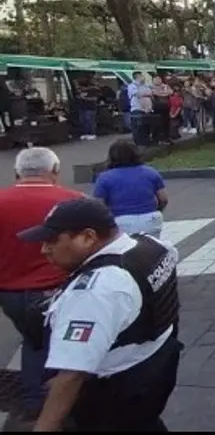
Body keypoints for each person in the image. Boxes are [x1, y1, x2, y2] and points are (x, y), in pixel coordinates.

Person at [18, 198, 182, 431]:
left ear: (88, 237)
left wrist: (44, 427)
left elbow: (71, 374)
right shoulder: (151, 246)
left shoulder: (96, 291)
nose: (44, 249)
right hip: (152, 375)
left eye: (52, 240)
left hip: (113, 399)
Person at [0, 148, 83, 421]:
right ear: (55, 172)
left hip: (10, 293)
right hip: (57, 289)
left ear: (17, 174)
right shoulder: (73, 202)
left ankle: (35, 402)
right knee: (65, 345)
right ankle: (65, 404)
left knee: (34, 342)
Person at [93, 140, 169, 238]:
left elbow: (98, 206)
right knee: (151, 248)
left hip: (121, 221)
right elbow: (163, 199)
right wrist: (156, 210)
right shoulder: (151, 172)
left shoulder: (104, 178)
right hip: (150, 219)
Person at [127, 71, 153, 147]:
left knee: (146, 127)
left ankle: (146, 143)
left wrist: (146, 93)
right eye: (141, 76)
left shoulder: (145, 85)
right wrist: (146, 93)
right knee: (138, 128)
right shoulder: (132, 86)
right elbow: (138, 94)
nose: (143, 77)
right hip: (137, 109)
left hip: (147, 109)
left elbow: (150, 93)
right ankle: (139, 144)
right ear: (137, 77)